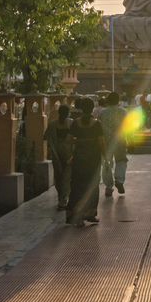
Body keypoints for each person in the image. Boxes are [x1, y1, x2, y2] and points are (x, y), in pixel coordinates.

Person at [67, 97, 106, 226]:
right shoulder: (97, 123)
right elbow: (101, 143)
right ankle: (90, 214)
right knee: (93, 186)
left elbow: (68, 140)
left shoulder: (75, 122)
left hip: (78, 158)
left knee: (77, 186)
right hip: (93, 159)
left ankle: (75, 216)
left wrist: (80, 141)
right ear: (92, 108)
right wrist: (106, 159)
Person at [44, 104, 74, 210]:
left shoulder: (52, 124)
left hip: (56, 155)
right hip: (69, 155)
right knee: (67, 178)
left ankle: (61, 197)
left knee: (59, 177)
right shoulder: (71, 122)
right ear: (67, 113)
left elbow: (45, 137)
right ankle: (63, 199)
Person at [99, 92, 128, 196]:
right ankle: (119, 181)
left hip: (106, 143)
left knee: (106, 163)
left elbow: (99, 127)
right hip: (120, 141)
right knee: (121, 161)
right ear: (118, 100)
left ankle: (108, 187)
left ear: (108, 100)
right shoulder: (123, 112)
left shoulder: (103, 113)